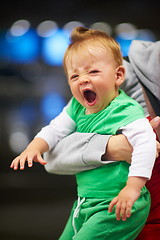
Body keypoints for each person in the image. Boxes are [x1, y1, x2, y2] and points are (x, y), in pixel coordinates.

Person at [10, 27, 157, 240]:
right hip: (85, 201)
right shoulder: (77, 107)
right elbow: (54, 130)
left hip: (117, 204)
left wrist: (133, 189)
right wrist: (35, 147)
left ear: (118, 75)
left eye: (93, 72)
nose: (83, 79)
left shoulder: (126, 110)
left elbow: (146, 144)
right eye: (74, 76)